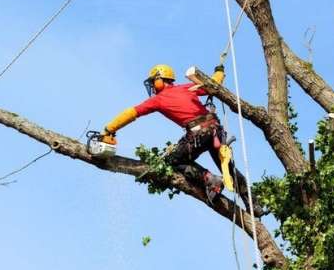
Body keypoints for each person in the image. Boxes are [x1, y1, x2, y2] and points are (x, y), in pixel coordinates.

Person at [100, 64, 249, 206]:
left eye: (153, 82)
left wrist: (109, 129)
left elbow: (132, 113)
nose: (152, 86)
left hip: (199, 133)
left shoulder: (158, 99)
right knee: (229, 169)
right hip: (215, 129)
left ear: (160, 79)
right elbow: (214, 84)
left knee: (173, 161)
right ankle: (253, 203)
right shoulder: (187, 87)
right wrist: (219, 71)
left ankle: (210, 179)